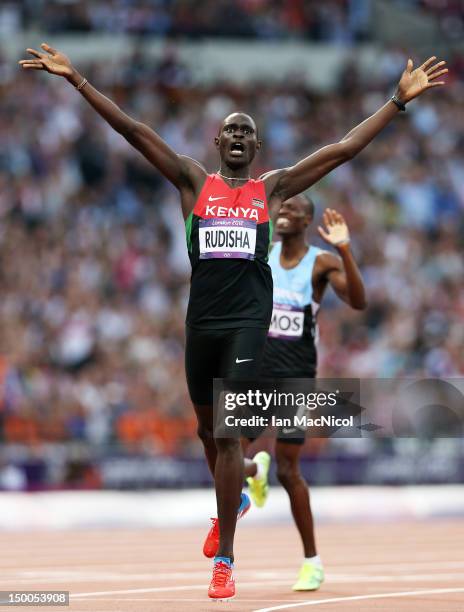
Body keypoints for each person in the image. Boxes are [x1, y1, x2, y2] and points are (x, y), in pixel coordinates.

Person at [20, 43, 447, 600]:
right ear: (218, 143)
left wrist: (396, 102)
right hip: (201, 326)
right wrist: (76, 78)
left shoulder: (271, 191)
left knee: (224, 434)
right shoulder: (193, 183)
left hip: (249, 326)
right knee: (207, 433)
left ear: (258, 146)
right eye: (231, 130)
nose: (240, 135)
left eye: (248, 130)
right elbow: (132, 130)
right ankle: (241, 486)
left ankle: (225, 558)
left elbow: (342, 150)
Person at [245, 196, 366, 592]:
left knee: (289, 468)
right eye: (282, 208)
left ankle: (311, 561)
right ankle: (252, 471)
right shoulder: (262, 254)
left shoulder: (321, 262)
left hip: (296, 375)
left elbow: (358, 301)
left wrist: (345, 249)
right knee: (222, 446)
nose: (284, 213)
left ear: (308, 220)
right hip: (255, 369)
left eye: (293, 210)